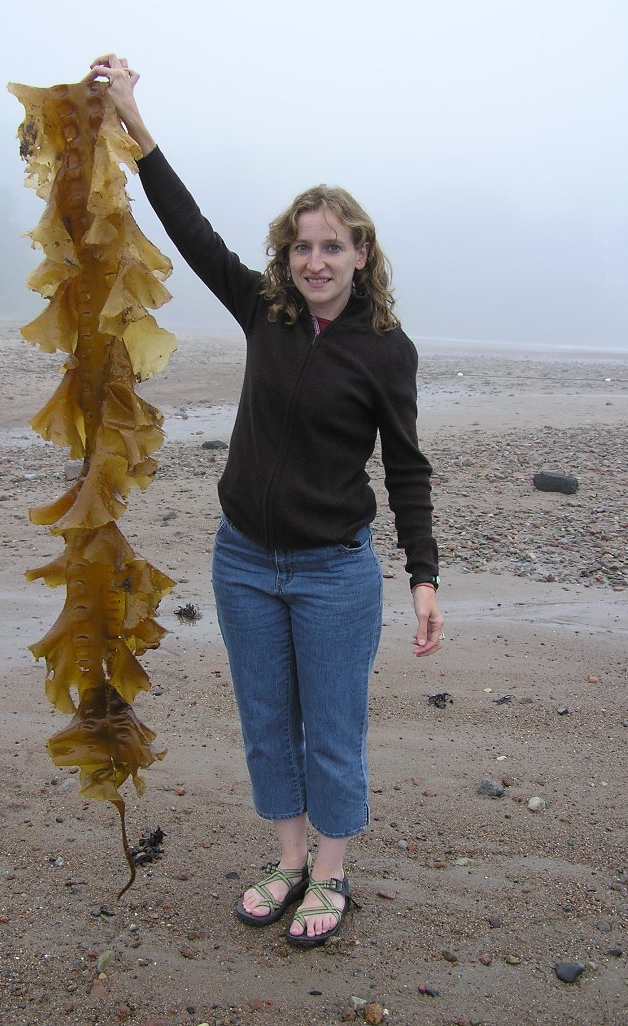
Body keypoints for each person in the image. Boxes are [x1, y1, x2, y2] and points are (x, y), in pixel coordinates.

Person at [87, 54, 444, 947]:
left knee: (331, 729)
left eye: (333, 245)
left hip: (333, 571)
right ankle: (288, 858)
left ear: (362, 256)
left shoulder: (386, 353)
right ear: (286, 255)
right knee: (264, 723)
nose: (315, 260)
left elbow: (407, 468)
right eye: (302, 245)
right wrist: (135, 121)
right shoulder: (264, 312)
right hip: (243, 557)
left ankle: (331, 873)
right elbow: (190, 228)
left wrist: (424, 576)